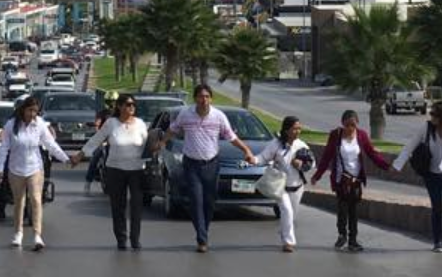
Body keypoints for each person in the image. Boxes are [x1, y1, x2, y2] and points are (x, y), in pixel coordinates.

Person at [156, 84, 256, 253]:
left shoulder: (218, 116)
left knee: (209, 202)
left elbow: (231, 136)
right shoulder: (185, 114)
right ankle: (202, 238)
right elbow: (173, 130)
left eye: (207, 97)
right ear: (195, 98)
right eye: (201, 97)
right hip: (191, 163)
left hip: (211, 164)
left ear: (211, 98)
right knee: (196, 200)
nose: (204, 100)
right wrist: (163, 141)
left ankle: (204, 229)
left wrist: (246, 149)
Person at [74, 94, 158, 250]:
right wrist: (80, 154)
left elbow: (148, 144)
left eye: (133, 104)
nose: (131, 107)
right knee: (117, 205)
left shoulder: (140, 124)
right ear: (119, 107)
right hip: (115, 170)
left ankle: (135, 239)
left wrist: (155, 147)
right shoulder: (111, 123)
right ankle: (121, 238)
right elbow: (96, 139)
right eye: (127, 104)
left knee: (136, 205)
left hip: (137, 170)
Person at [0, 97, 72, 251]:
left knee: (36, 200)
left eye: (35, 111)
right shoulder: (11, 125)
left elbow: (50, 144)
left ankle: (37, 235)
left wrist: (66, 159)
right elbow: (4, 147)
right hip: (15, 169)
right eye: (30, 110)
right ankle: (18, 233)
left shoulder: (39, 124)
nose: (33, 114)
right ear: (23, 109)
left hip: (35, 168)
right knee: (19, 202)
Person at [311, 110, 391, 252]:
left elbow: (372, 153)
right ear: (342, 124)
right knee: (342, 209)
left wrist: (386, 166)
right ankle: (342, 234)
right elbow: (327, 157)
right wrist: (317, 175)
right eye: (347, 125)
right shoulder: (336, 135)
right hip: (340, 179)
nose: (350, 128)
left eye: (353, 125)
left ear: (357, 124)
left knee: (353, 210)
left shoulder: (362, 135)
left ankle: (353, 240)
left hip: (356, 179)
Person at [245, 116, 315, 253]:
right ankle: (288, 242)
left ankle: (284, 232)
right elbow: (263, 157)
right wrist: (252, 159)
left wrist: (302, 164)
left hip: (297, 186)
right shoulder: (276, 144)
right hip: (280, 186)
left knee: (291, 215)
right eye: (294, 128)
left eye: (299, 128)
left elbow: (312, 163)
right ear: (287, 130)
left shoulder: (301, 145)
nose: (297, 131)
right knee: (287, 211)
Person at [392, 101, 442, 253]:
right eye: (431, 113)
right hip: (431, 175)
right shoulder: (426, 128)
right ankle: (438, 241)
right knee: (438, 206)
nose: (431, 116)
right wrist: (397, 165)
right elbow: (409, 146)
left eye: (434, 114)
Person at [84, 108, 113, 194]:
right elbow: (97, 125)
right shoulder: (101, 113)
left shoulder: (119, 115)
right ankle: (88, 182)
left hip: (114, 141)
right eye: (109, 101)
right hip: (103, 140)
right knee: (95, 157)